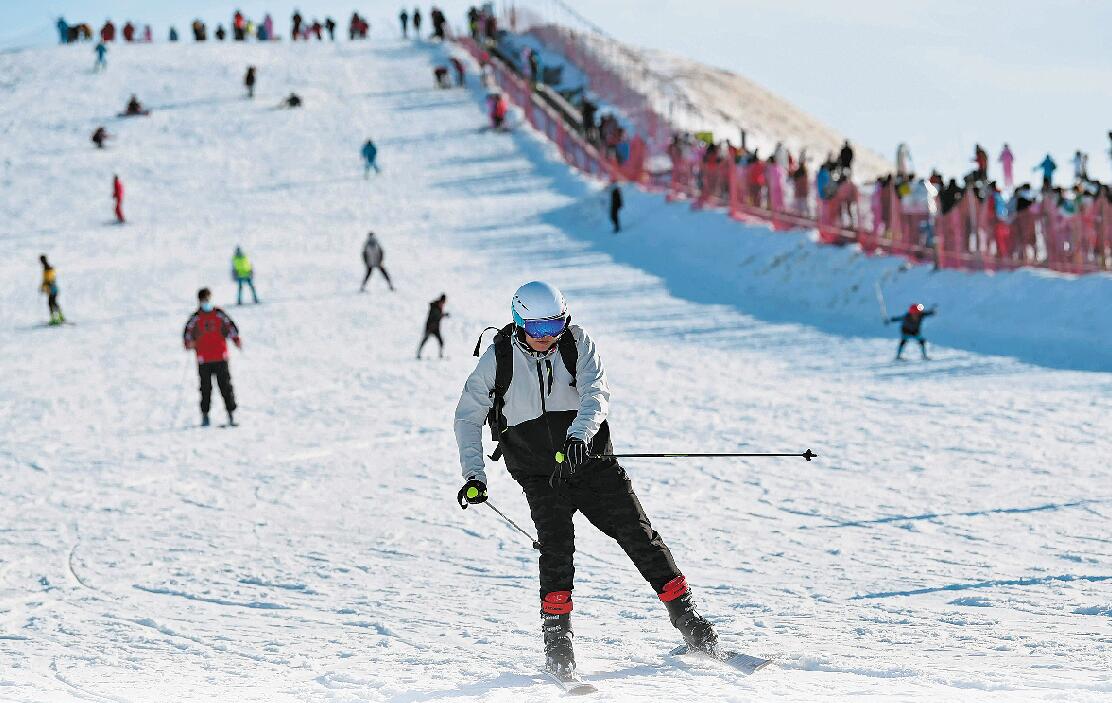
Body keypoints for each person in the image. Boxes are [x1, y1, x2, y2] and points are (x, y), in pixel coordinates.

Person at [454, 281, 720, 677]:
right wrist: (474, 474)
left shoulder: (578, 343)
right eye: (538, 329)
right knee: (556, 549)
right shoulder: (500, 357)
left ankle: (688, 620)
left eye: (555, 325)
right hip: (539, 473)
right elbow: (467, 415)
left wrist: (580, 435)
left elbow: (597, 393)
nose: (548, 337)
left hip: (591, 461)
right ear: (518, 320)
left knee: (637, 533)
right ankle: (558, 641)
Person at [182, 288, 240, 427]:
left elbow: (231, 327)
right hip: (204, 358)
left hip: (220, 356)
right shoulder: (196, 317)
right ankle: (205, 415)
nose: (206, 303)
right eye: (204, 300)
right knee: (205, 388)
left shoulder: (219, 314)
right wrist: (189, 343)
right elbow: (187, 334)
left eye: (208, 300)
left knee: (225, 386)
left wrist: (235, 339)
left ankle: (231, 414)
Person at [417, 294, 448, 359]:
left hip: (436, 328)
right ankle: (418, 354)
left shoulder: (439, 307)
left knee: (441, 341)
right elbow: (436, 316)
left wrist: (443, 315)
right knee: (425, 340)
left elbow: (439, 316)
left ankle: (440, 355)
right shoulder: (434, 307)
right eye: (443, 302)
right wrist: (443, 315)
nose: (443, 304)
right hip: (430, 327)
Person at [39, 255, 65, 325]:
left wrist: (44, 286)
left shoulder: (47, 268)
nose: (41, 262)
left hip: (52, 289)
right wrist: (43, 286)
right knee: (53, 303)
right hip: (52, 288)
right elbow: (46, 280)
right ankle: (60, 316)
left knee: (51, 303)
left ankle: (54, 318)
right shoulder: (47, 268)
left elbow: (49, 280)